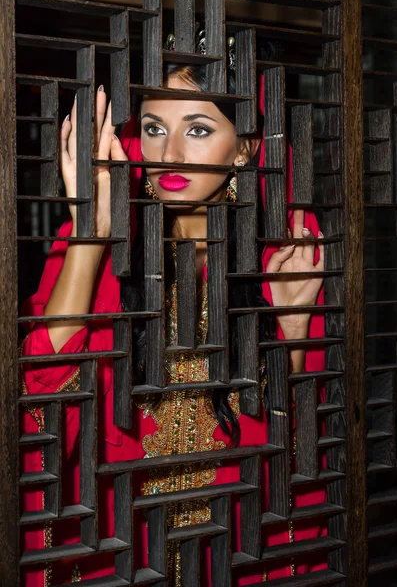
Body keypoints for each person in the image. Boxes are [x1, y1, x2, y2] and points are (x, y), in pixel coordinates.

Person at [20, 58, 326, 586]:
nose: (171, 155)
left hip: (233, 537)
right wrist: (91, 235)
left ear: (246, 146)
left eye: (200, 130)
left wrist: (293, 331)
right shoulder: (114, 231)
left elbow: (287, 444)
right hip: (115, 537)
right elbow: (41, 386)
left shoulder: (284, 247)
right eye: (156, 129)